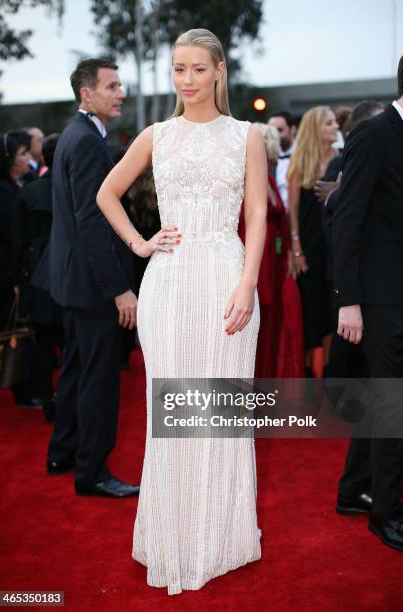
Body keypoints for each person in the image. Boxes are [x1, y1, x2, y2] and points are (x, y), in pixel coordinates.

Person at [96, 28, 267, 595]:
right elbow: (106, 193)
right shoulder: (156, 134)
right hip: (169, 286)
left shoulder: (246, 136)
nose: (187, 80)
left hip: (224, 277)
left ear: (219, 70)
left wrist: (247, 284)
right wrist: (141, 245)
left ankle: (222, 537)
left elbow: (259, 219)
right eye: (178, 70)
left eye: (197, 69)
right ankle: (174, 539)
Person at [37, 59, 139, 498]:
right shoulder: (86, 143)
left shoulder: (75, 136)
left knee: (78, 368)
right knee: (99, 379)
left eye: (120, 85)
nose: (120, 93)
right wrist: (119, 289)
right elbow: (92, 222)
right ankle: (92, 472)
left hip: (72, 281)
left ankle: (63, 452)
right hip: (93, 284)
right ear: (87, 94)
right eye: (112, 86)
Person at [333, 55, 403, 551]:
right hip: (380, 299)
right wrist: (348, 301)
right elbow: (346, 220)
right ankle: (386, 512)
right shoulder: (374, 134)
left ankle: (355, 487)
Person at [239, 124, 303, 378]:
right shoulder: (250, 178)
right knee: (259, 325)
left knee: (272, 323)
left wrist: (288, 251)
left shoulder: (266, 178)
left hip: (274, 258)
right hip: (260, 259)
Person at [287, 106, 339, 376]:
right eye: (329, 123)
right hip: (308, 249)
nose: (336, 127)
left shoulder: (342, 161)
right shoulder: (300, 164)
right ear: (315, 127)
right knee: (311, 314)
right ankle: (309, 375)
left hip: (335, 248)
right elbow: (293, 212)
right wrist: (296, 249)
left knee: (332, 313)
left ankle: (329, 374)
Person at [16, 133, 63, 422]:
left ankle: (46, 396)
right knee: (70, 342)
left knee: (43, 342)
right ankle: (67, 399)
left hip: (35, 273)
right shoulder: (72, 190)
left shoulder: (29, 191)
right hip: (64, 270)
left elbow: (19, 240)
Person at [0, 132, 32, 335]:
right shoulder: (2, 192)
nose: (29, 158)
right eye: (23, 153)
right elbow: (12, 234)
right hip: (4, 273)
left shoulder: (14, 187)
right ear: (9, 159)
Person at [268, 110, 297, 212]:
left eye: (279, 130)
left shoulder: (305, 156)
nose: (275, 135)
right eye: (271, 131)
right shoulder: (268, 161)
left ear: (293, 130)